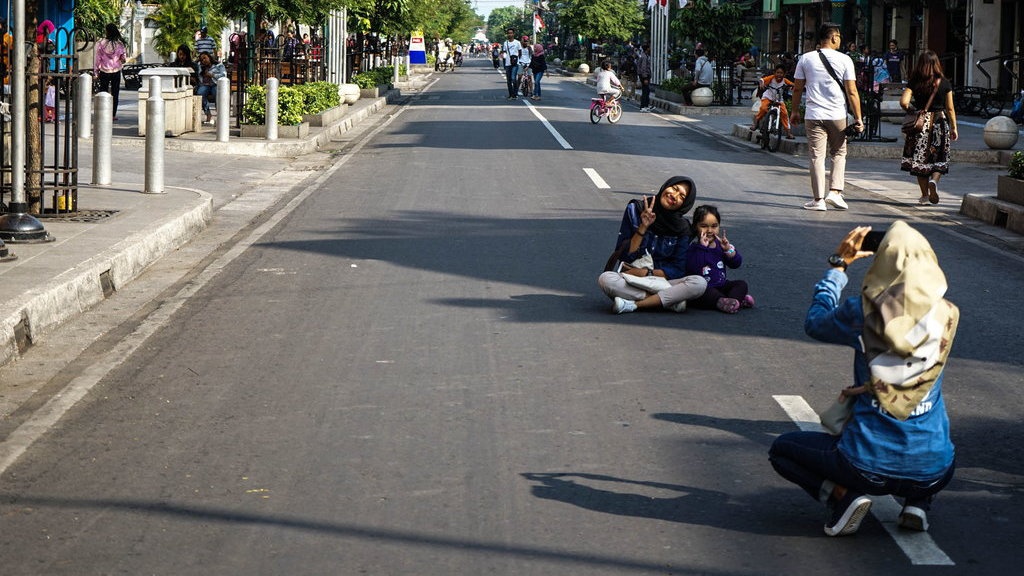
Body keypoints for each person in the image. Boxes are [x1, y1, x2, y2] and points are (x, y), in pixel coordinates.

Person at [769, 222, 959, 537]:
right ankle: (918, 504)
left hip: (865, 467)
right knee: (937, 443)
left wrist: (838, 266)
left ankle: (843, 497)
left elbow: (815, 323)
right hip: (935, 472)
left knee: (782, 450)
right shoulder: (947, 313)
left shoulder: (862, 313)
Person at [597, 176, 708, 315]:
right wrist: (643, 227)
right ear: (666, 186)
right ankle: (669, 301)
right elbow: (625, 257)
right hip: (634, 280)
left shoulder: (683, 228)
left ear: (684, 204)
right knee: (606, 279)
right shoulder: (636, 210)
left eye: (682, 196)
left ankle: (635, 304)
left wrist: (647, 273)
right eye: (674, 188)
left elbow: (678, 269)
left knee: (699, 283)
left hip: (664, 282)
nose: (674, 196)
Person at [789, 23, 864, 212]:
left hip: (814, 115)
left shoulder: (805, 59)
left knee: (816, 156)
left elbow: (797, 88)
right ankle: (835, 192)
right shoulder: (845, 60)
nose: (840, 40)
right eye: (839, 36)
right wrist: (858, 117)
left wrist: (795, 111)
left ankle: (818, 200)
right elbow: (852, 91)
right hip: (837, 115)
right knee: (838, 153)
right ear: (833, 37)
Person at [900, 50, 959, 205]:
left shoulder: (915, 81)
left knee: (920, 159)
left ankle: (925, 195)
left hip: (921, 124)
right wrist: (954, 127)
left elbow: (903, 102)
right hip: (940, 122)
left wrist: (912, 110)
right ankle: (934, 181)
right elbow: (950, 108)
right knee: (939, 157)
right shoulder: (945, 83)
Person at [684, 205, 753, 314]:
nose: (709, 230)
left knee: (741, 284)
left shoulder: (721, 246)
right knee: (703, 294)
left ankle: (733, 300)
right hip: (704, 288)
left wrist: (728, 251)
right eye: (704, 226)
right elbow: (694, 267)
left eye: (714, 226)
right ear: (695, 227)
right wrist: (703, 248)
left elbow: (736, 264)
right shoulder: (693, 248)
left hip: (721, 285)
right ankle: (726, 301)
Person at [94, 23, 127, 121]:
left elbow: (97, 59)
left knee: (103, 92)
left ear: (107, 31)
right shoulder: (120, 44)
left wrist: (96, 71)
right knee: (115, 93)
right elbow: (123, 58)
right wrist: (120, 59)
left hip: (104, 71)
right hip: (116, 71)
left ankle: (103, 113)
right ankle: (112, 114)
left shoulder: (101, 43)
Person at [753, 65, 795, 139]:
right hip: (768, 97)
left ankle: (788, 132)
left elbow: (792, 84)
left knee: (784, 113)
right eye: (777, 72)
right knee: (763, 108)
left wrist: (793, 86)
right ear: (774, 73)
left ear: (784, 74)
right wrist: (761, 84)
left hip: (779, 99)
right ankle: (756, 123)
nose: (779, 75)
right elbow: (762, 80)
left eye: (781, 73)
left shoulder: (785, 80)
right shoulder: (771, 78)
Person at [196, 52, 226, 124]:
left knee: (217, 94)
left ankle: (220, 114)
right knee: (200, 94)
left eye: (205, 58)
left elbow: (224, 75)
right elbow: (199, 77)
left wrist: (212, 75)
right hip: (205, 85)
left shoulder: (219, 65)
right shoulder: (201, 67)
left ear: (209, 57)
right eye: (201, 59)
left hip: (215, 84)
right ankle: (208, 114)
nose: (204, 60)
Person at [502, 29, 522, 99]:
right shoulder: (505, 43)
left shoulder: (517, 42)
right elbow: (504, 52)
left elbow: (520, 52)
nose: (510, 34)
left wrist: (518, 60)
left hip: (515, 63)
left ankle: (515, 93)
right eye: (508, 33)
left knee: (513, 78)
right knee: (509, 80)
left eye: (511, 33)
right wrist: (504, 57)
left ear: (513, 34)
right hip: (508, 63)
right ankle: (511, 94)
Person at [637, 44, 652, 111]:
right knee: (645, 91)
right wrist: (645, 78)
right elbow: (643, 67)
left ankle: (646, 105)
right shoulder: (644, 57)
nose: (650, 49)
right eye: (649, 47)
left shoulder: (644, 55)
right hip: (644, 76)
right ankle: (643, 106)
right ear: (647, 49)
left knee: (647, 91)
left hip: (644, 75)